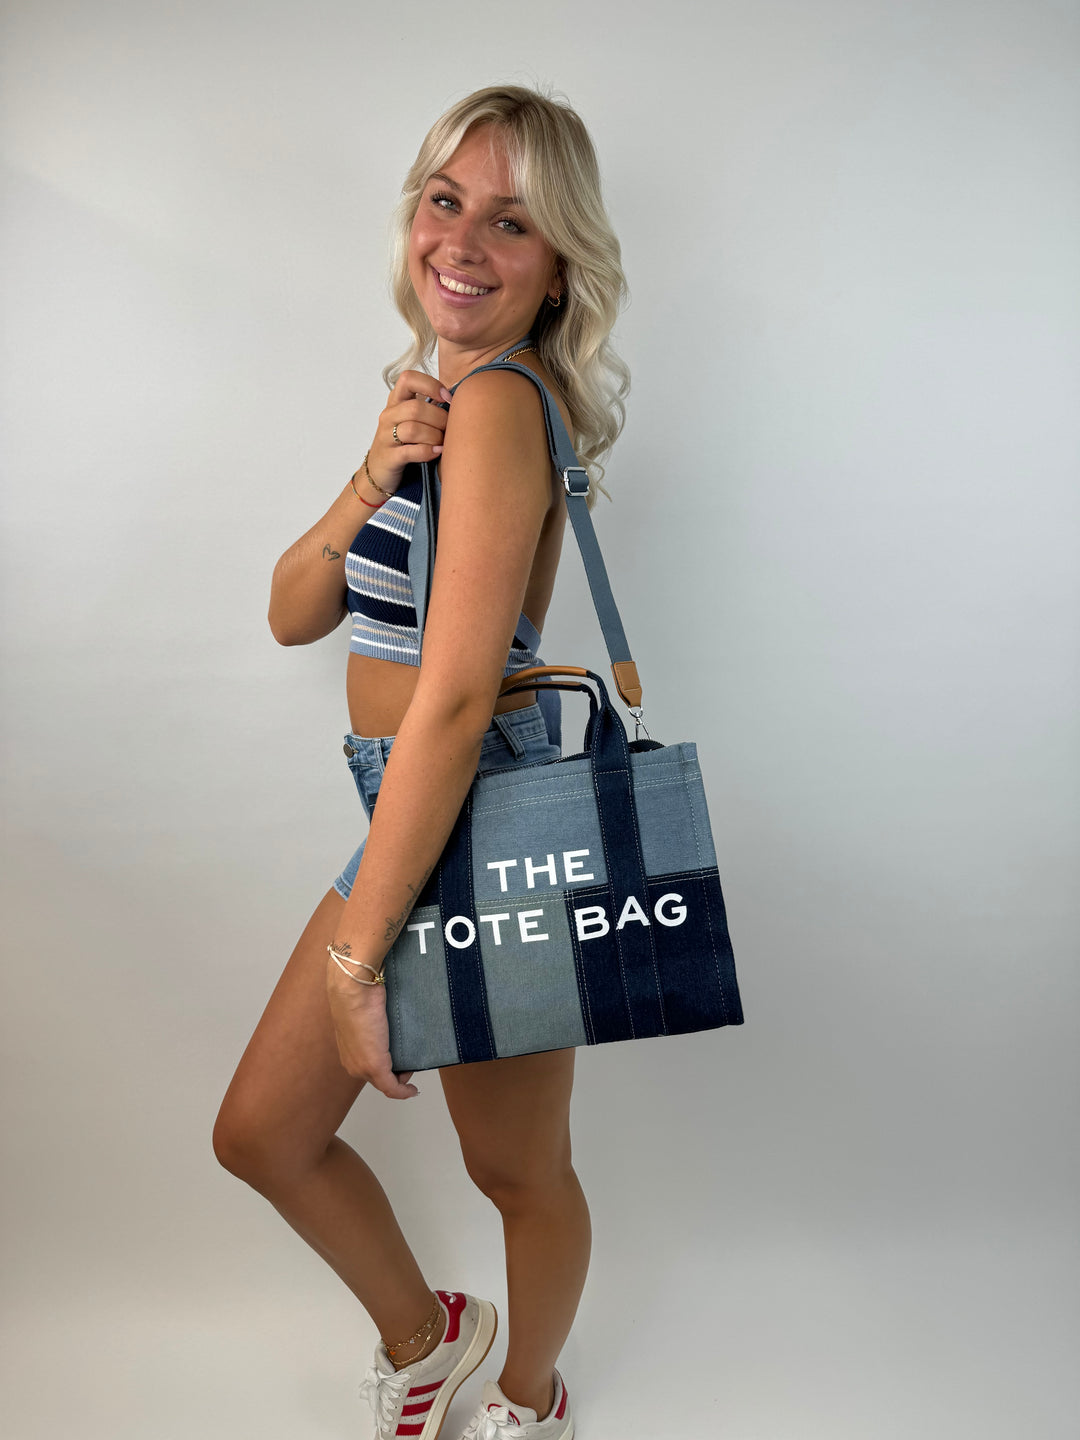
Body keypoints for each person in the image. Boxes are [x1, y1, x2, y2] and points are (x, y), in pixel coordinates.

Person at [213, 84, 629, 1440]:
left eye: (511, 221)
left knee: (517, 1170)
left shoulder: (502, 401)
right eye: (445, 202)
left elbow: (453, 703)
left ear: (558, 264)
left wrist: (357, 963)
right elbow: (291, 612)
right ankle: (430, 1337)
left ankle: (528, 1397)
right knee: (263, 1133)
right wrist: (375, 470)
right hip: (404, 812)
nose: (462, 240)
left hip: (488, 815)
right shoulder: (433, 401)